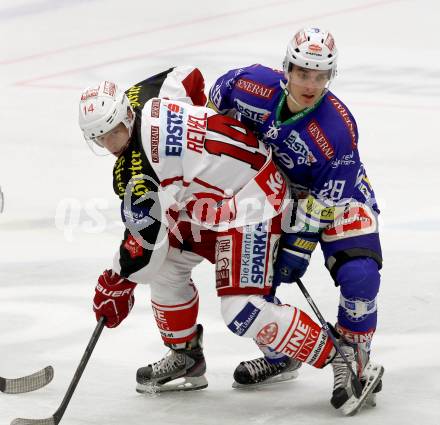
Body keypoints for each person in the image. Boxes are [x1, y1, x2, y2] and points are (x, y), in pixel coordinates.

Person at [78, 66, 303, 393]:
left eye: (113, 131)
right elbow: (188, 76)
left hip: (243, 202)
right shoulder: (141, 110)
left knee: (242, 298)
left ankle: (281, 353)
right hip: (205, 208)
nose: (109, 143)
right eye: (99, 138)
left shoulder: (139, 156)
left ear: (126, 112)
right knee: (166, 266)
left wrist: (201, 131)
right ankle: (186, 357)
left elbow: (143, 246)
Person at [208, 27, 384, 411]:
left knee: (360, 275)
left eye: (320, 76)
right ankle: (279, 356)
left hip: (338, 197)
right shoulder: (249, 84)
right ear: (286, 67)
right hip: (269, 192)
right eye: (303, 72)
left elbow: (326, 200)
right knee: (251, 287)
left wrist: (298, 245)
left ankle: (353, 356)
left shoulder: (337, 128)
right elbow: (214, 110)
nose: (311, 84)